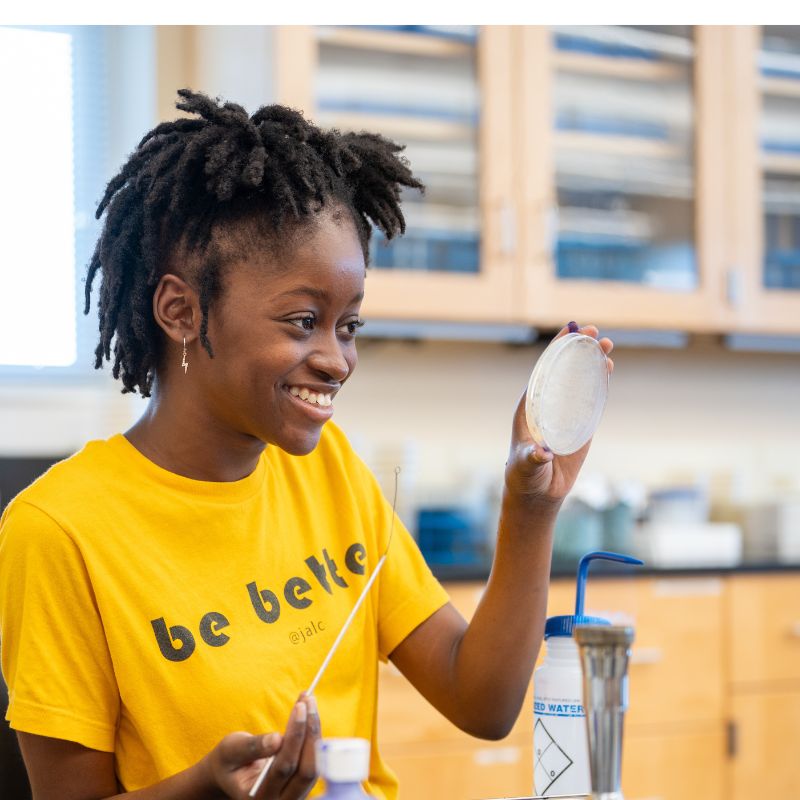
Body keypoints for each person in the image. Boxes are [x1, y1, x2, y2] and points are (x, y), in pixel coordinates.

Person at [0, 89, 613, 800]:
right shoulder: (58, 532)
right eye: (302, 321)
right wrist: (203, 791)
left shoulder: (331, 471)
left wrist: (531, 510)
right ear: (180, 311)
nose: (337, 359)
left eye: (347, 326)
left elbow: (482, 701)